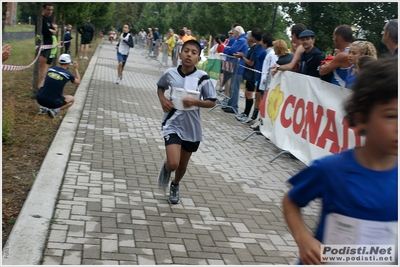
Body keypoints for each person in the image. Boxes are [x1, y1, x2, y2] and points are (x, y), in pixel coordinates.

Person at [282, 56, 398, 265]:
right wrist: (303, 239)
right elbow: (291, 201)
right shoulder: (331, 170)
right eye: (391, 116)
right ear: (362, 117)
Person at [156, 40, 217, 204]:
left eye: (194, 53)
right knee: (174, 163)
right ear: (180, 53)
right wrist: (162, 100)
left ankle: (175, 185)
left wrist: (195, 102)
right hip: (172, 123)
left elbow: (212, 101)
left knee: (182, 165)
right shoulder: (170, 73)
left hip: (191, 127)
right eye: (186, 51)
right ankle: (169, 163)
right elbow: (160, 86)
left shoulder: (202, 78)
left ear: (198, 58)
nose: (189, 54)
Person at [36, 54, 81, 118]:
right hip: (53, 102)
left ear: (59, 62)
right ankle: (55, 110)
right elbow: (78, 81)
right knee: (71, 100)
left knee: (45, 84)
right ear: (68, 63)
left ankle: (43, 108)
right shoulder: (68, 74)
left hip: (39, 99)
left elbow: (41, 84)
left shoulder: (51, 69)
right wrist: (76, 69)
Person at [234, 29, 261, 122]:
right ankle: (245, 112)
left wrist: (242, 56)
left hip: (252, 75)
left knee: (249, 94)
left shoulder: (255, 49)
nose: (246, 40)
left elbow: (251, 63)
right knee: (246, 93)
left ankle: (247, 114)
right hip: (248, 74)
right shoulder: (251, 48)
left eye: (247, 38)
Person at [221, 26, 248, 114]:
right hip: (235, 66)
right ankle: (230, 104)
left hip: (238, 66)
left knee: (234, 87)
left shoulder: (241, 40)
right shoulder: (240, 40)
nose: (232, 34)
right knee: (233, 86)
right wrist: (228, 49)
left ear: (237, 32)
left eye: (233, 32)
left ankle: (233, 106)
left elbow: (232, 50)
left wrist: (227, 49)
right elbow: (230, 50)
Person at [38, 3, 55, 88]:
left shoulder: (48, 19)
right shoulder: (42, 19)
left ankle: (42, 83)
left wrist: (52, 31)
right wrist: (51, 31)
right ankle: (37, 85)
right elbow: (46, 32)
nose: (50, 11)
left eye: (51, 10)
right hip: (43, 45)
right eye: (48, 9)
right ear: (44, 9)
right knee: (40, 67)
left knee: (45, 66)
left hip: (49, 46)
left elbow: (54, 30)